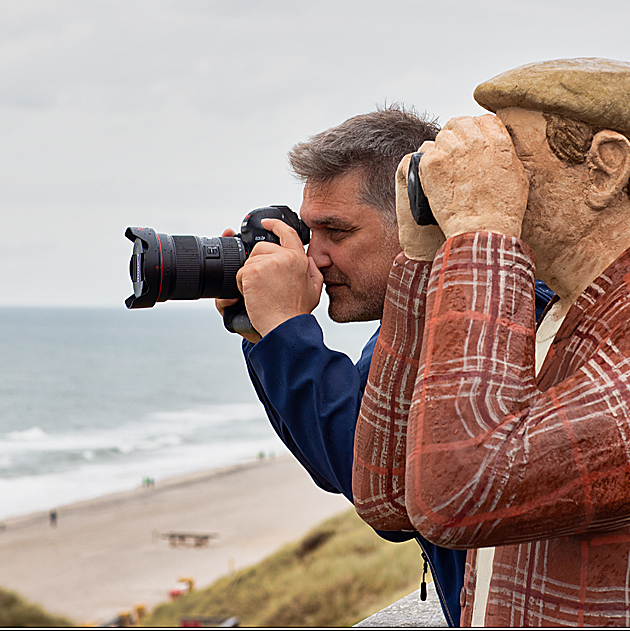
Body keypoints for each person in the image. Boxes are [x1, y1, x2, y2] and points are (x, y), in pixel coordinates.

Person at [353, 59, 630, 626]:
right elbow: (389, 495)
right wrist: (421, 260)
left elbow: (457, 492)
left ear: (606, 168)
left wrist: (481, 236)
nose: (486, 177)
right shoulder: (569, 309)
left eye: (510, 156)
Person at [215, 106, 554, 626]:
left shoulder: (498, 318)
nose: (315, 257)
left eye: (337, 232)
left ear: (422, 218)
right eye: (310, 233)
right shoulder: (413, 317)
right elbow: (349, 465)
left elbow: (380, 486)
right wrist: (260, 332)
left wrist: (286, 331)